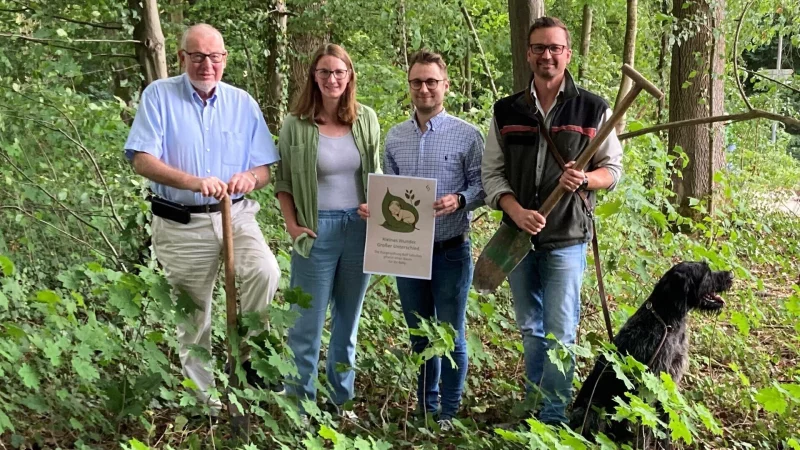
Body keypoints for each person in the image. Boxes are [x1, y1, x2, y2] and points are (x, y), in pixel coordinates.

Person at [124, 24, 282, 416]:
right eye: (197, 56)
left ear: (224, 58)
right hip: (182, 223)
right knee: (194, 315)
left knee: (265, 270)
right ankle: (204, 404)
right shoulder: (159, 96)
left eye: (214, 57)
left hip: (236, 215)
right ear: (182, 57)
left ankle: (249, 358)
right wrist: (193, 182)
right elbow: (142, 160)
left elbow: (264, 168)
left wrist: (250, 178)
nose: (207, 64)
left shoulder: (242, 103)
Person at [481, 17, 623, 425]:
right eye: (539, 48)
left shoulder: (593, 108)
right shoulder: (507, 110)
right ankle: (532, 412)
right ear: (528, 54)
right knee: (530, 328)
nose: (547, 55)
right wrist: (515, 211)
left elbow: (612, 170)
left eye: (555, 48)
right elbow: (492, 173)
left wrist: (586, 178)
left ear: (568, 54)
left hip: (566, 237)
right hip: (518, 238)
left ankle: (553, 418)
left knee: (560, 332)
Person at [360, 50, 484, 430]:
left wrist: (459, 199)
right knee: (419, 336)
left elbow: (484, 186)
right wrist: (374, 211)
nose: (424, 88)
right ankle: (425, 409)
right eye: (417, 82)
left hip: (450, 250)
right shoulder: (395, 137)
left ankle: (449, 413)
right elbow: (390, 193)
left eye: (432, 81)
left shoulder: (467, 135)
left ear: (446, 85)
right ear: (410, 86)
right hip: (407, 253)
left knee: (450, 334)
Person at [274, 43, 381, 421]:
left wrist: (376, 208)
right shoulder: (296, 124)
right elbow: (283, 181)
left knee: (347, 323)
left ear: (350, 76)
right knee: (306, 324)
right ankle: (300, 405)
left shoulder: (366, 119)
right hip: (316, 231)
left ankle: (341, 401)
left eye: (339, 71)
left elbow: (376, 174)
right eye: (324, 72)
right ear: (314, 77)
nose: (332, 78)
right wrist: (292, 226)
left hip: (359, 229)